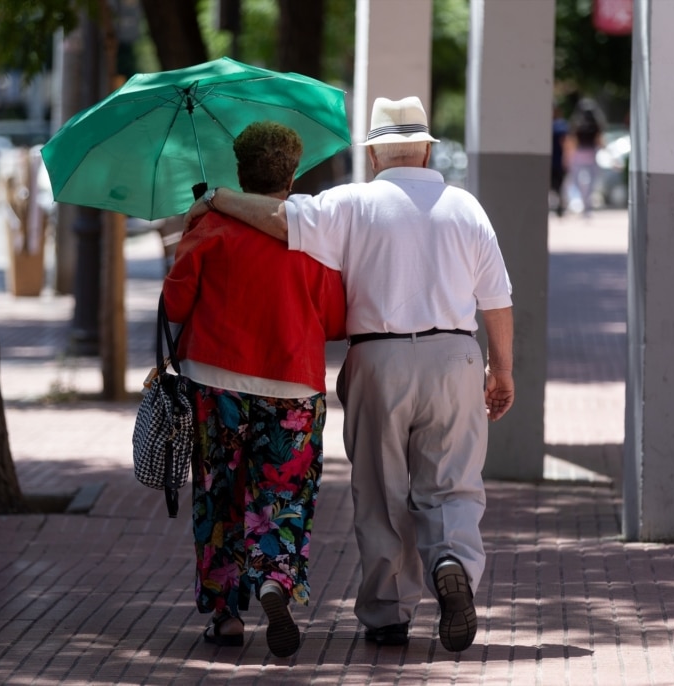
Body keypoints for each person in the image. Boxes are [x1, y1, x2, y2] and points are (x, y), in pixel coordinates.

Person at [184, 96, 515, 653]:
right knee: (452, 483)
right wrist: (500, 368)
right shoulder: (466, 207)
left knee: (381, 492)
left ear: (373, 153)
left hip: (378, 358)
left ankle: (388, 614)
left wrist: (214, 197)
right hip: (455, 355)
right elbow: (498, 299)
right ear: (428, 149)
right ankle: (452, 559)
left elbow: (277, 217)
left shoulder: (352, 203)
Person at [162, 121, 346, 658]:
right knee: (284, 496)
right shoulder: (314, 238)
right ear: (291, 174)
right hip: (292, 386)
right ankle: (275, 581)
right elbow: (334, 320)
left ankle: (225, 616)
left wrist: (188, 235)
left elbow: (175, 307)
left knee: (220, 497)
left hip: (215, 384)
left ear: (240, 173)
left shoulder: (209, 228)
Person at [568, 97, 606, 216]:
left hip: (579, 156)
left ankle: (583, 202)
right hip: (591, 155)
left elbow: (573, 142)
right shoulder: (596, 125)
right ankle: (587, 206)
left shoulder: (577, 123)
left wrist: (569, 156)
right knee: (591, 182)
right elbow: (599, 141)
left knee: (576, 181)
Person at [550, 104, 569, 216]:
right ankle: (558, 205)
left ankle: (560, 206)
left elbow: (565, 143)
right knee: (555, 186)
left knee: (559, 185)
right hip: (553, 161)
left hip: (557, 161)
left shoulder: (560, 125)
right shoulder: (556, 125)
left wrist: (566, 158)